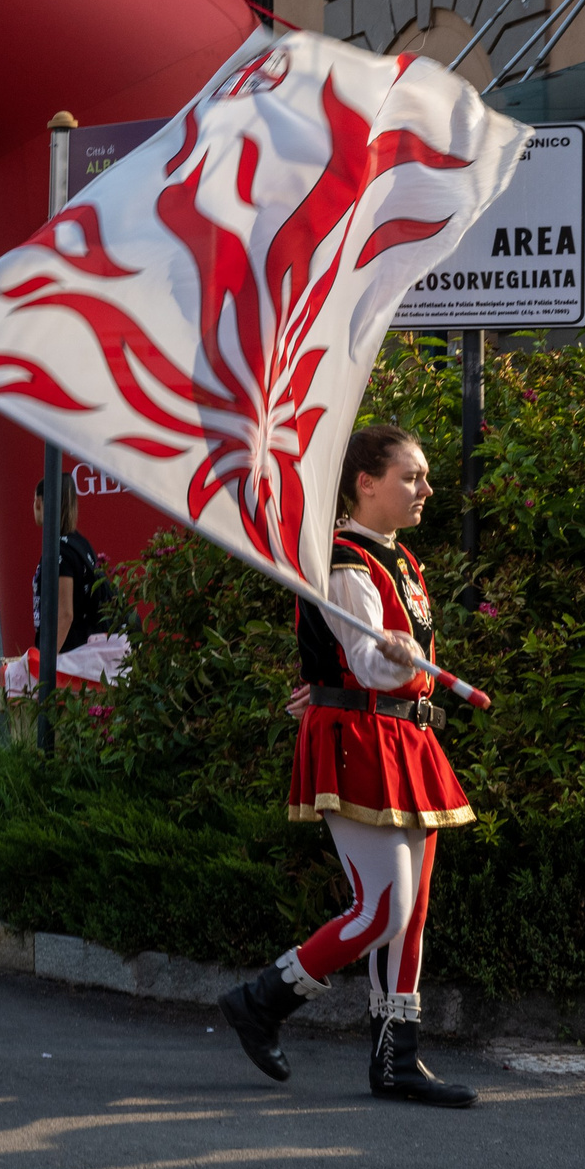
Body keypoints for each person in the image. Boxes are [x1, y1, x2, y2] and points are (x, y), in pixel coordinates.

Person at [216, 426, 477, 1107]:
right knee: (384, 905)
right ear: (366, 481)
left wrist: (395, 661)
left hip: (407, 740)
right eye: (411, 476)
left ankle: (397, 1061)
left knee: (410, 911)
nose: (425, 489)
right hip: (358, 734)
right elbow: (365, 664)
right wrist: (386, 655)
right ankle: (263, 998)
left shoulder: (401, 561)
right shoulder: (342, 559)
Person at [34, 479, 110, 661]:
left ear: (39, 502)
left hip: (70, 656)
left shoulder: (59, 552)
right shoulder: (79, 542)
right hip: (84, 649)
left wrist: (44, 665)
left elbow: (65, 614)